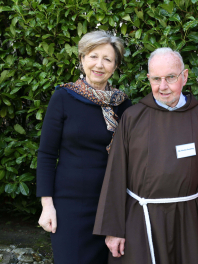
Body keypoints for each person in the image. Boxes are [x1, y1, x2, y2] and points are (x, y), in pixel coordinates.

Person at [93, 47, 198, 264]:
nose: (163, 87)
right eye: (156, 79)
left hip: (188, 220)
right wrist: (113, 229)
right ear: (148, 79)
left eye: (170, 77)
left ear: (185, 76)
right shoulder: (133, 117)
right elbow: (115, 174)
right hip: (140, 219)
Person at [37, 30, 132, 264]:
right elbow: (47, 154)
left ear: (116, 65)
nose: (99, 65)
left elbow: (130, 158)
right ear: (82, 59)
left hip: (111, 206)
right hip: (70, 208)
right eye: (93, 56)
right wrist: (46, 205)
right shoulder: (63, 97)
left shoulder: (123, 105)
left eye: (107, 59)